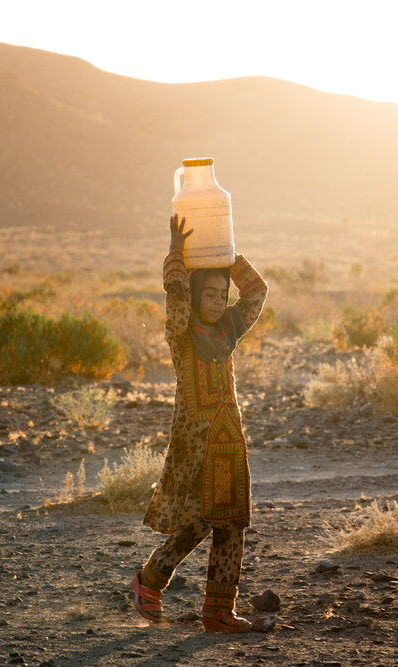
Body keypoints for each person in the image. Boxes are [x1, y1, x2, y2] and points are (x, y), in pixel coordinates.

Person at [130, 213, 268, 632]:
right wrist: (177, 252)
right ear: (194, 296)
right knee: (199, 521)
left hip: (230, 440)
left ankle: (213, 611)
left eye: (221, 293)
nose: (215, 300)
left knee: (231, 523)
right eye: (207, 293)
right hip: (197, 448)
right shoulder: (182, 336)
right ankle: (151, 582)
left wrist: (226, 255)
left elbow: (257, 290)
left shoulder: (229, 328)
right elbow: (174, 292)